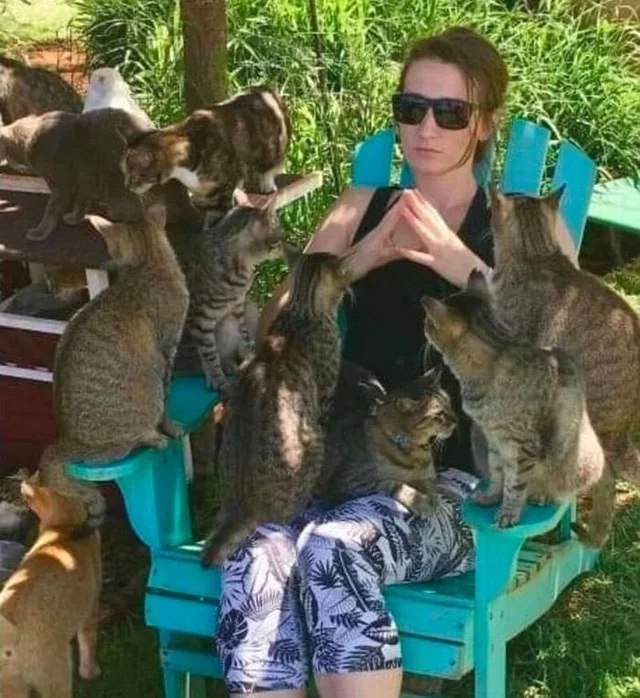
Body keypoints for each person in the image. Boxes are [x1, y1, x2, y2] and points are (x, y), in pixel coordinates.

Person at [215, 26, 573, 698]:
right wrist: (360, 258)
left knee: (335, 549)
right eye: (411, 108)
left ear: (484, 123)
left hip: (459, 484)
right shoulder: (361, 206)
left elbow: (563, 348)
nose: (426, 129)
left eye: (450, 112)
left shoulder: (527, 225)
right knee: (255, 552)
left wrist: (462, 268)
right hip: (339, 464)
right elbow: (275, 328)